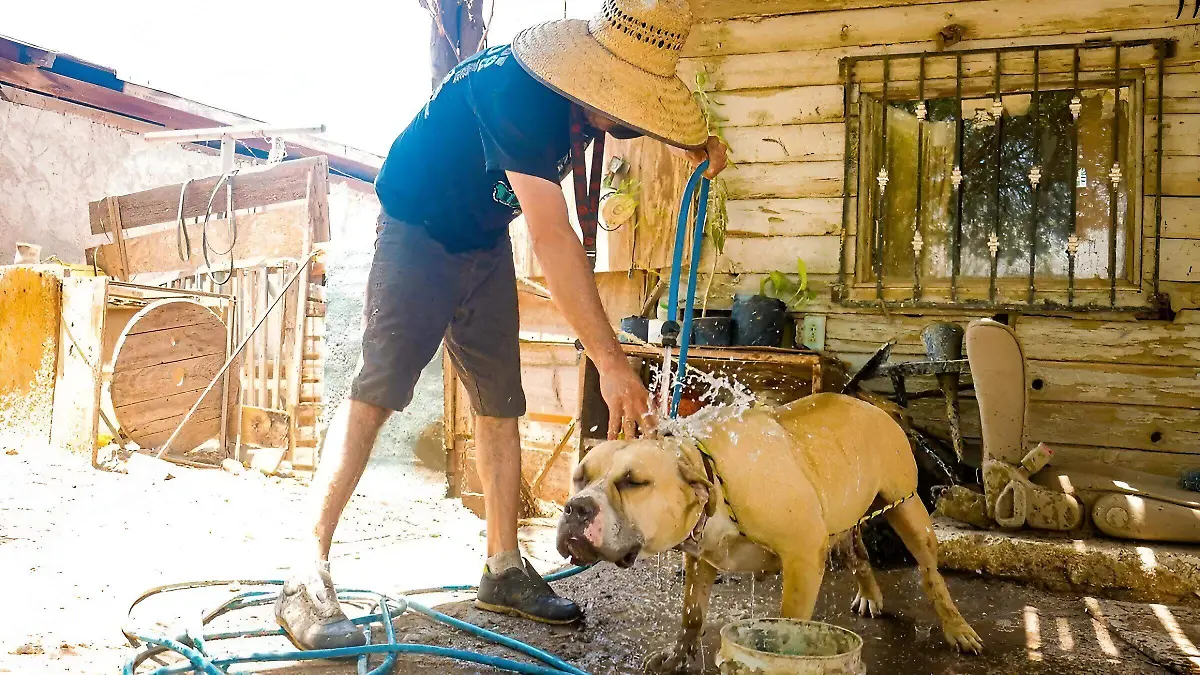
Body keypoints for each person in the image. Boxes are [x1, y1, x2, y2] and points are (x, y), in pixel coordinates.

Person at [275, 0, 728, 650]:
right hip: (417, 228)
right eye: (627, 101)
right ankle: (305, 571)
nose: (630, 117)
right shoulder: (520, 96)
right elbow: (552, 236)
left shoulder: (587, 101)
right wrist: (610, 359)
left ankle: (502, 568)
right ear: (596, 81)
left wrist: (693, 143)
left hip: (483, 241)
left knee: (500, 403)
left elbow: (636, 124)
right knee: (378, 391)